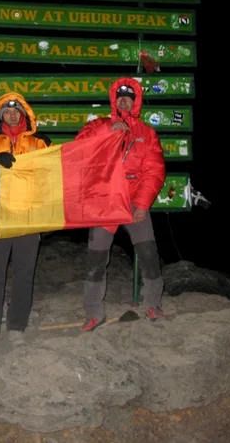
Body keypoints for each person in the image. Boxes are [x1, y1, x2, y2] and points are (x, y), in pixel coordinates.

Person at [75, 77, 167, 331]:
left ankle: (153, 304)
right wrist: (108, 131)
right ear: (114, 101)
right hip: (105, 204)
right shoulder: (98, 126)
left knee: (149, 254)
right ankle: (94, 312)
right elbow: (80, 149)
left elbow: (154, 171)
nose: (124, 100)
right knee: (96, 260)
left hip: (134, 202)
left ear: (135, 102)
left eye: (129, 97)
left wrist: (142, 205)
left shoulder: (147, 133)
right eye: (120, 97)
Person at [0, 93, 52, 347]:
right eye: (7, 111)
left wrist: (46, 216)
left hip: (29, 216)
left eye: (17, 111)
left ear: (25, 114)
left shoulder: (40, 142)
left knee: (24, 272)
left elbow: (50, 177)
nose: (12, 115)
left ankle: (17, 325)